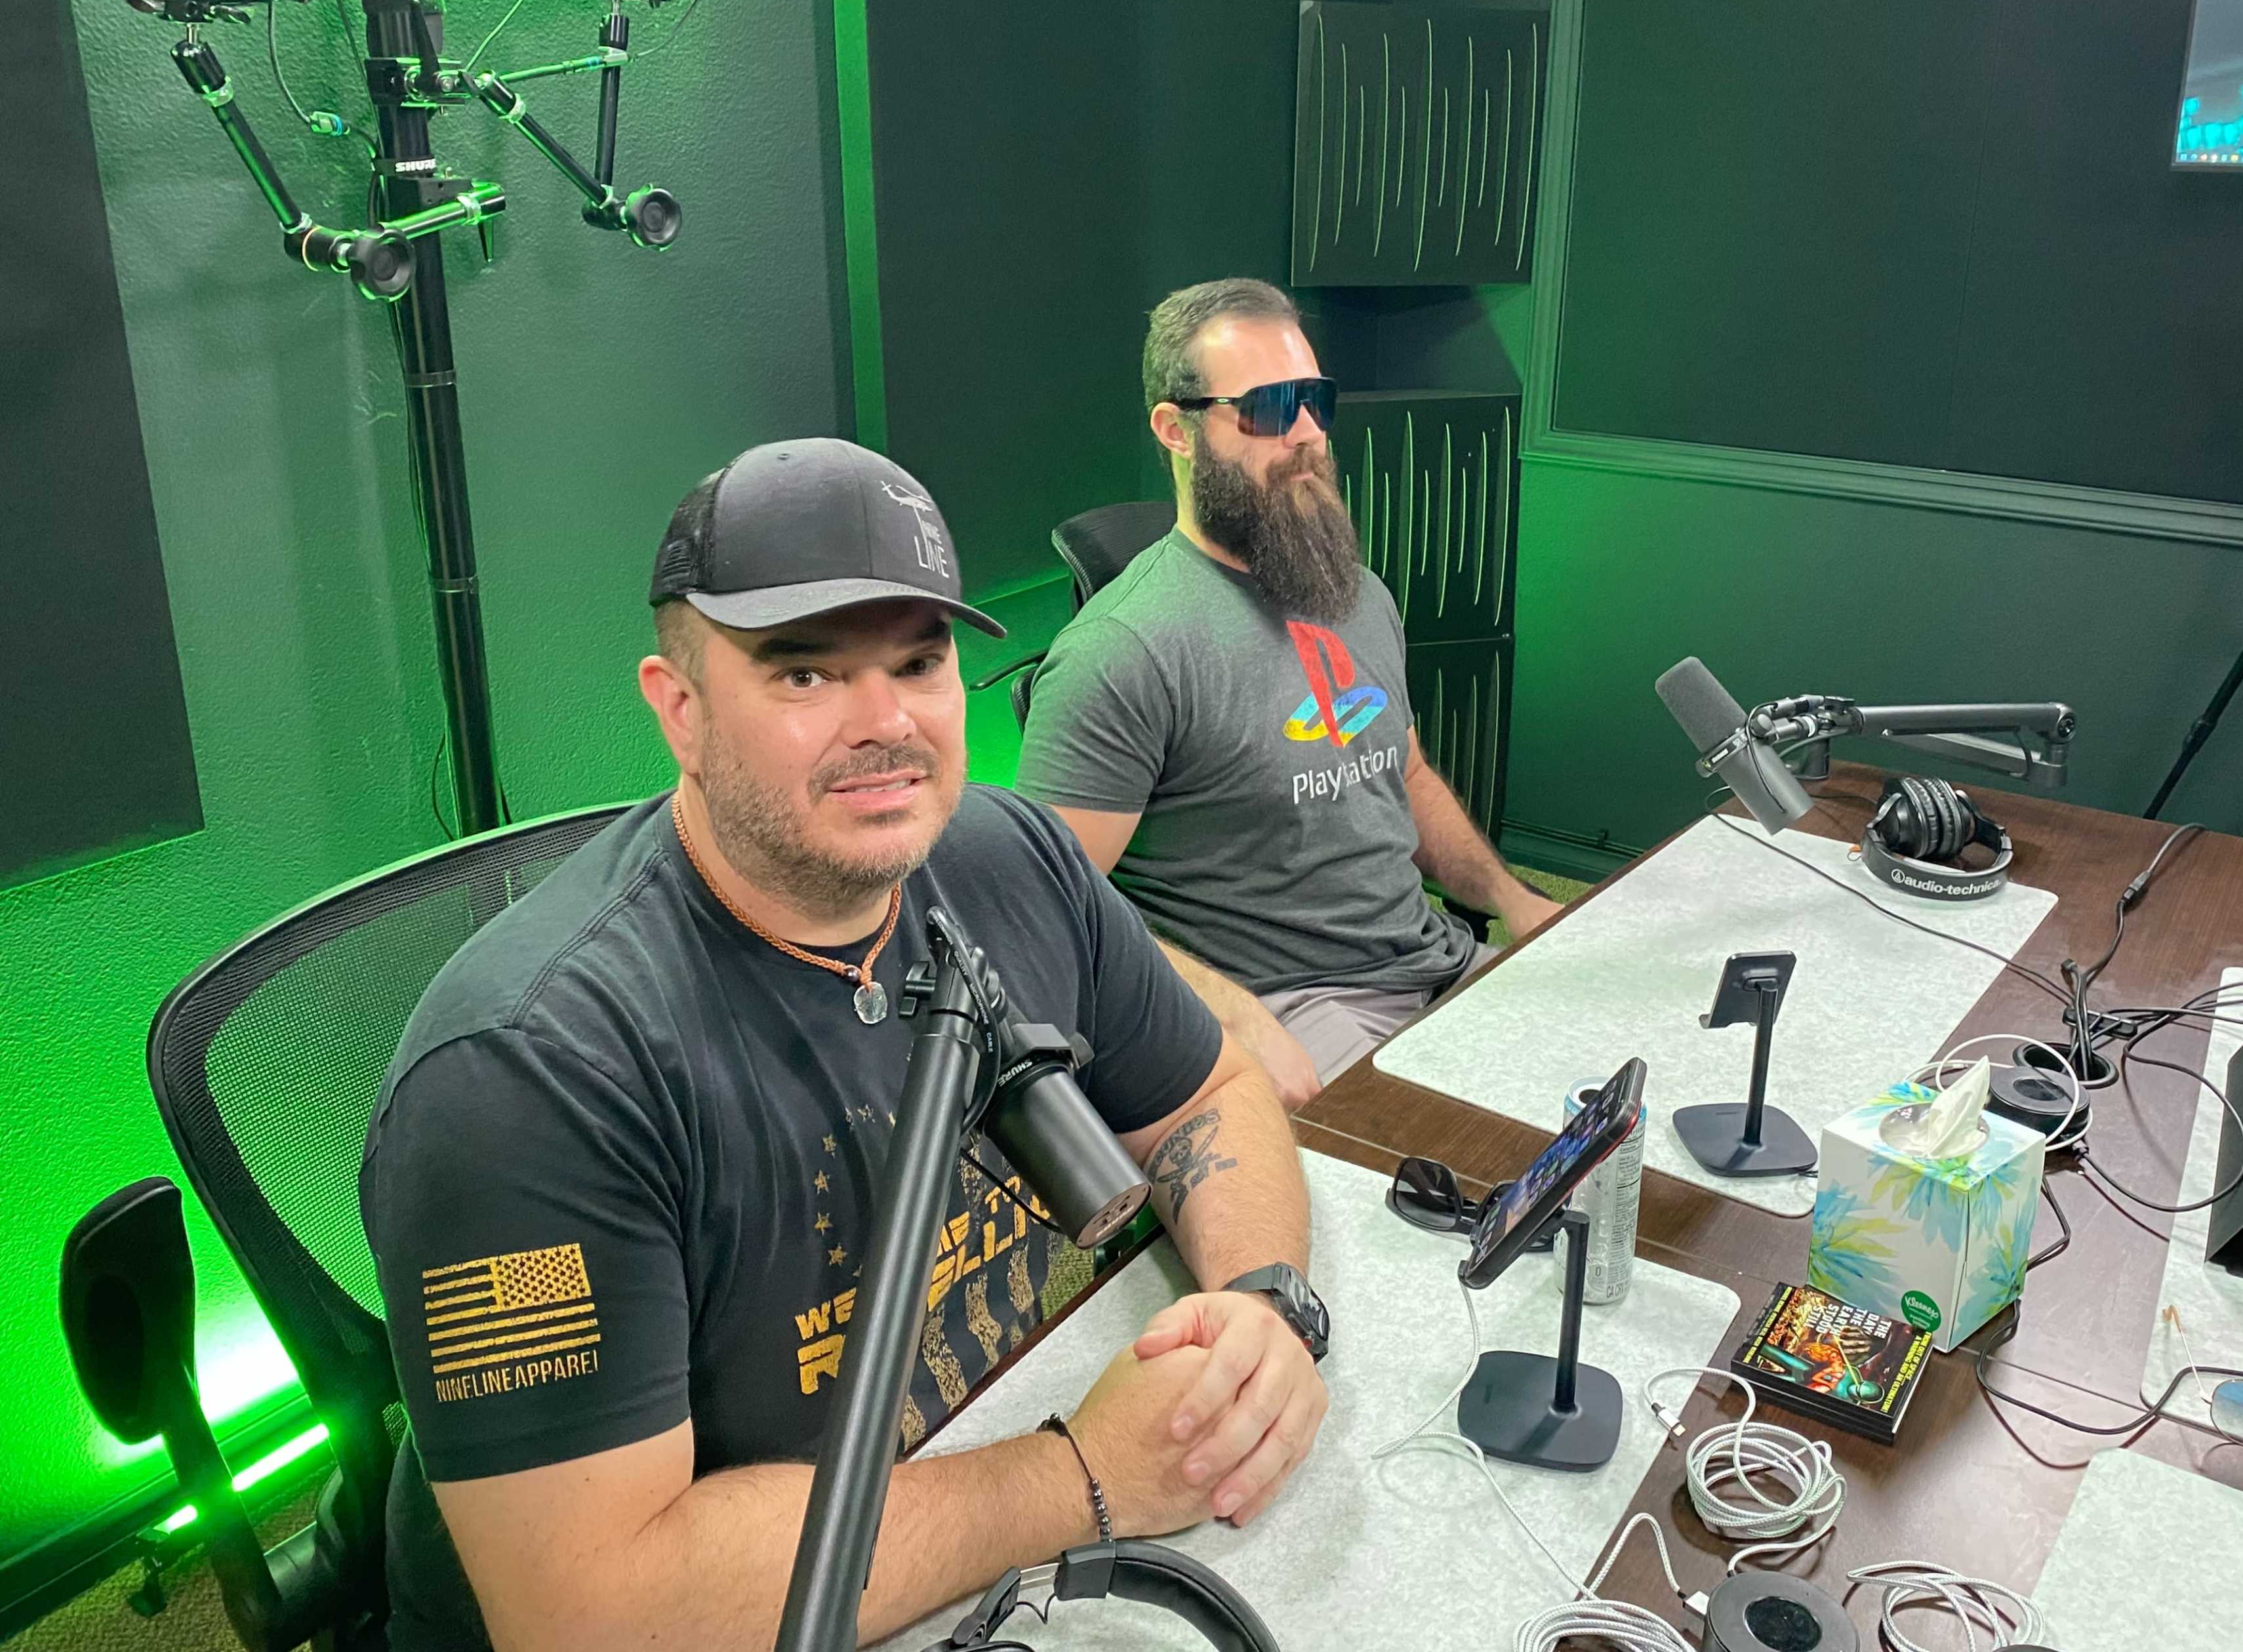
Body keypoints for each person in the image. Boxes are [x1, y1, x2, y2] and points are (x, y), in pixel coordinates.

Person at [360, 439, 1331, 1652]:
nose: (886, 724)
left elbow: (1210, 1092)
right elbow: (591, 1614)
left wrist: (1263, 1307)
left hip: (964, 1502)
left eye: (920, 660)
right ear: (681, 709)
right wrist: (1078, 1477)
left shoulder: (1006, 856)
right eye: (805, 675)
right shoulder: (521, 1081)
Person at [1015, 278, 1562, 1105]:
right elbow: (1051, 907)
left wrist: (1513, 901)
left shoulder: (1358, 593)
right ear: (1178, 429)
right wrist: (1230, 1019)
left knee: (1608, 1099)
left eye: (1315, 400)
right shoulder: (1122, 653)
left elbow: (1403, 778)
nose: (1308, 433)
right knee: (1481, 1186)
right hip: (1290, 1010)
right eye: (1271, 407)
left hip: (1430, 959)